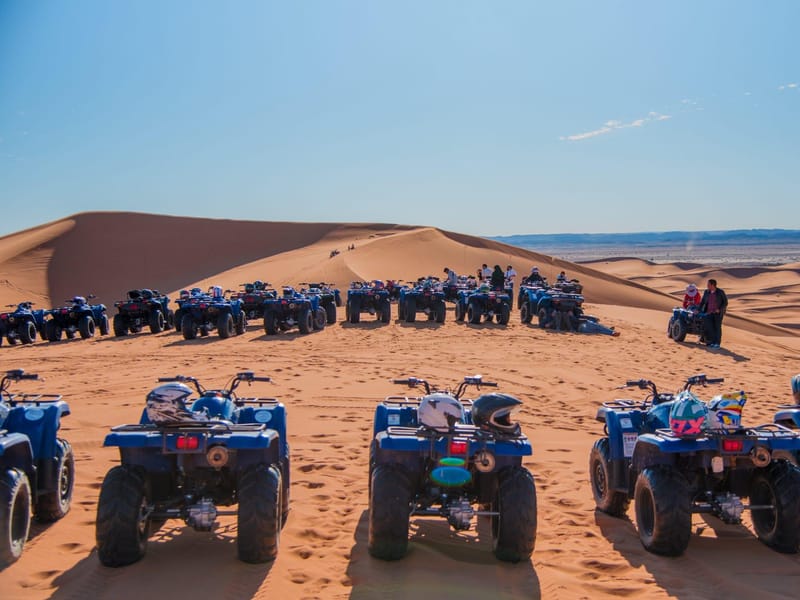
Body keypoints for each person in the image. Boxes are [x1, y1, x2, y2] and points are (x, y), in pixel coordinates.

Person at [699, 279, 728, 348]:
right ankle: (711, 342)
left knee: (717, 327)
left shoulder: (720, 292)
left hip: (718, 313)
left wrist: (719, 309)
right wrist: (698, 309)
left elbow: (725, 302)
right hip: (708, 313)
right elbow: (702, 302)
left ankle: (717, 343)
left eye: (708, 284)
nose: (707, 286)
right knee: (710, 327)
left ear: (713, 285)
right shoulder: (706, 292)